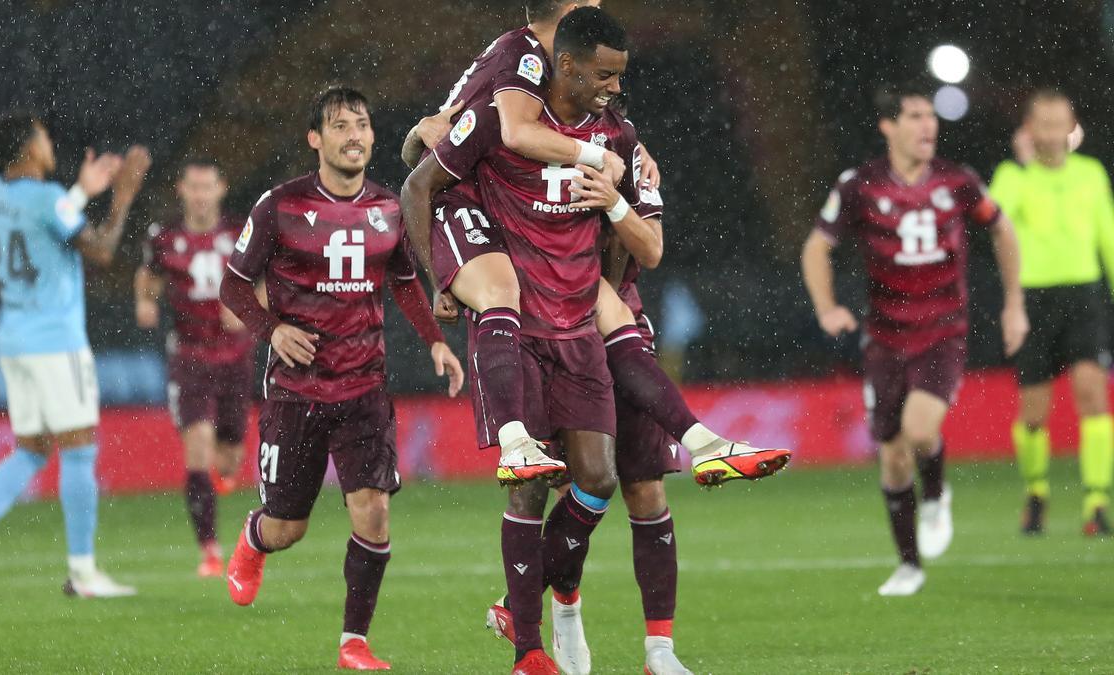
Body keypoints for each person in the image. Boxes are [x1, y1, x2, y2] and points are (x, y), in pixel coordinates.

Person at [403, 0, 785, 491]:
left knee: (614, 324)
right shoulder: (520, 54)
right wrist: (597, 153)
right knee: (501, 295)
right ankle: (515, 439)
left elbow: (644, 240)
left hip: (534, 223)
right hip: (472, 208)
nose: (598, 6)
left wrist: (625, 148)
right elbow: (498, 137)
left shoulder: (569, 83)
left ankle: (706, 444)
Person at [405, 9, 671, 674]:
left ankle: (558, 607)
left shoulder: (605, 117)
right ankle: (529, 646)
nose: (611, 83)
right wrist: (438, 271)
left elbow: (646, 241)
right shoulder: (517, 64)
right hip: (510, 282)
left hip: (576, 300)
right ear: (562, 38)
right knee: (530, 476)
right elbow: (428, 164)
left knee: (604, 478)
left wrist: (617, 170)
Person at [218, 87, 465, 671]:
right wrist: (272, 329)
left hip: (364, 388)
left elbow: (404, 281)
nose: (355, 135)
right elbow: (233, 284)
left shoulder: (387, 208)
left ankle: (354, 641)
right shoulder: (279, 205)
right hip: (295, 391)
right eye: (340, 126)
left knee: (373, 511)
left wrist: (435, 342)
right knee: (288, 528)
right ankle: (254, 537)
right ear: (316, 139)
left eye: (362, 125)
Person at [801, 83, 1028, 597]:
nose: (928, 125)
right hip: (884, 337)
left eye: (931, 115)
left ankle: (938, 495)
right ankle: (909, 565)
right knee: (893, 454)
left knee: (920, 432)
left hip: (943, 331)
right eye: (915, 115)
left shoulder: (958, 181)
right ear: (888, 126)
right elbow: (816, 246)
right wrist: (827, 307)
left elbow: (1003, 231)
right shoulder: (859, 185)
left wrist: (1014, 304)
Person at [0, 113, 151, 601]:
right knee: (80, 449)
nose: (50, 142)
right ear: (29, 148)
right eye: (43, 136)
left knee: (32, 448)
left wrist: (81, 191)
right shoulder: (44, 200)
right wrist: (121, 196)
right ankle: (82, 573)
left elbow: (45, 221)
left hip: (15, 340)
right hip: (55, 340)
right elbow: (100, 250)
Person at [990, 89, 1114, 536]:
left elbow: (1108, 235)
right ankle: (1037, 491)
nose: (1052, 132)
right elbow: (995, 221)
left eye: (1059, 122)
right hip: (1034, 301)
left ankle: (1096, 503)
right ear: (1028, 129)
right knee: (1034, 415)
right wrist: (1021, 168)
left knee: (1094, 398)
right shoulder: (1013, 176)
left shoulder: (1091, 173)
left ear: (1071, 126)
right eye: (1042, 123)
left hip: (1084, 298)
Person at [135, 158, 255, 577]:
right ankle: (209, 549)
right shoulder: (164, 237)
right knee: (198, 448)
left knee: (230, 455)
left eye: (208, 187)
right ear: (182, 190)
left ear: (220, 189)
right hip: (190, 357)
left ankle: (220, 479)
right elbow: (147, 276)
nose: (201, 196)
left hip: (236, 356)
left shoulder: (242, 233)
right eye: (194, 188)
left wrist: (248, 311)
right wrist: (145, 302)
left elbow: (262, 281)